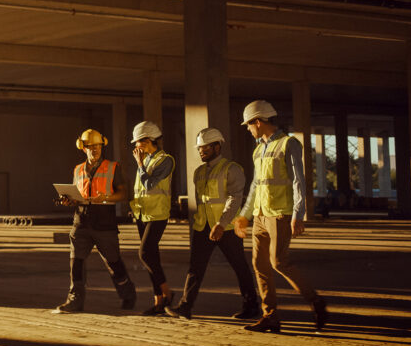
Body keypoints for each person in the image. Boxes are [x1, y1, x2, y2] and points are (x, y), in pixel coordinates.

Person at [234, 100, 328, 333]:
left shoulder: (289, 144)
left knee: (279, 262)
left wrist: (298, 214)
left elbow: (299, 181)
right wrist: (245, 215)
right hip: (260, 215)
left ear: (258, 122)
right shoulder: (258, 149)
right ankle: (270, 316)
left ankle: (316, 301)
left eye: (249, 124)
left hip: (280, 214)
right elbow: (256, 185)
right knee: (259, 265)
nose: (247, 129)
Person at [165, 127, 260, 320]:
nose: (201, 151)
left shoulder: (232, 169)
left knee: (240, 266)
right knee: (195, 268)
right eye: (199, 148)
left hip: (227, 228)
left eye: (206, 148)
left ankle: (252, 307)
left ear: (218, 147)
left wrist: (221, 223)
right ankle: (185, 306)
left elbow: (235, 199)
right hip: (203, 227)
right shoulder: (199, 172)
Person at [52, 129, 137, 313]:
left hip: (104, 221)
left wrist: (107, 197)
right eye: (91, 146)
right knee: (76, 262)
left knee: (114, 263)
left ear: (102, 146)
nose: (95, 149)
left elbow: (124, 194)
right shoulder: (77, 169)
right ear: (84, 148)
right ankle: (75, 300)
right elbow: (78, 194)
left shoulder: (113, 167)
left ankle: (128, 294)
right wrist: (69, 200)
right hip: (81, 220)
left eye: (98, 146)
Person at [129, 120, 175, 316]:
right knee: (151, 257)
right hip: (142, 213)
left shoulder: (166, 160)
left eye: (138, 142)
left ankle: (167, 293)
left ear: (148, 140)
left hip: (157, 214)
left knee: (145, 253)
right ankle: (158, 301)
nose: (136, 146)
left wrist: (139, 164)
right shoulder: (147, 160)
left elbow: (149, 185)